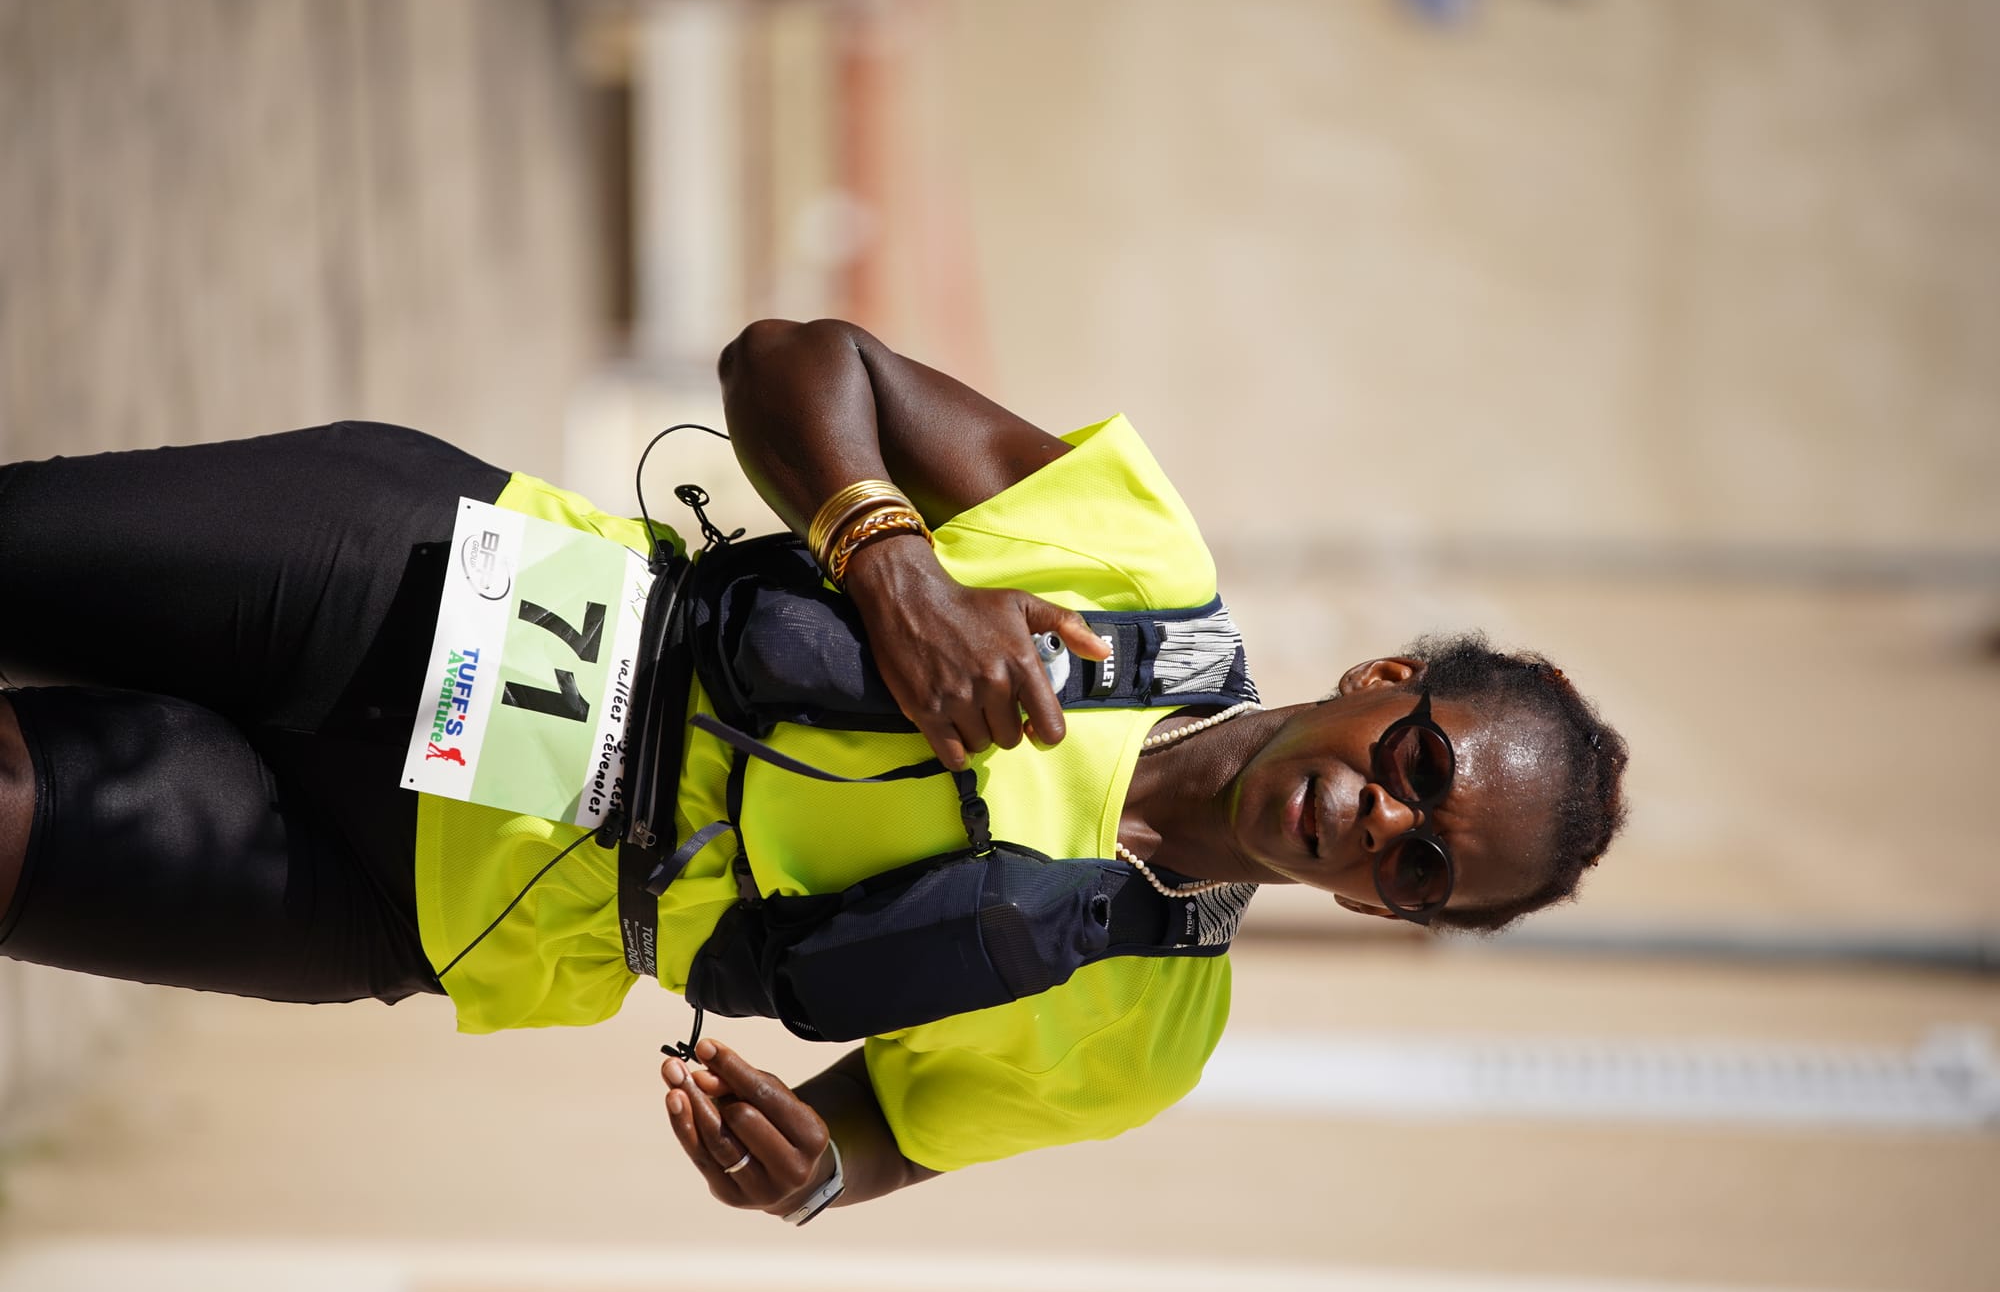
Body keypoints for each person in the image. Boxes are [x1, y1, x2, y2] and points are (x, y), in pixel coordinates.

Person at [0, 318, 1628, 1221]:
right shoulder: (1138, 565)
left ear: (1396, 914)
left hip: (417, 901)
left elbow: (878, 1140)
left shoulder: (1144, 1039)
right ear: (1385, 681)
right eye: (1415, 762)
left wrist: (800, 1172)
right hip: (434, 588)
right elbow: (788, 362)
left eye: (1421, 862)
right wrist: (895, 564)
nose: (1377, 817)